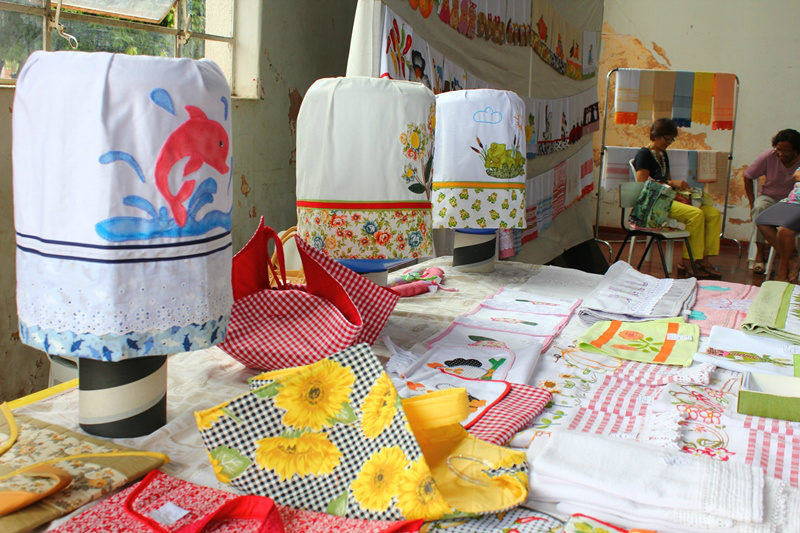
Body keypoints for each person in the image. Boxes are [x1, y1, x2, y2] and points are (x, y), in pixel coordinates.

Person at [633, 118, 723, 279]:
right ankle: (688, 262)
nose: (669, 143)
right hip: (655, 202)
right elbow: (642, 184)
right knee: (696, 215)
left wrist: (679, 189)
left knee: (713, 213)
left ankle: (703, 259)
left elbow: (667, 181)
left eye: (671, 139)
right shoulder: (644, 154)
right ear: (656, 135)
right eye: (667, 139)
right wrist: (670, 183)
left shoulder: (663, 154)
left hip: (668, 197)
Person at [743, 129, 800, 273]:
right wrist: (752, 202)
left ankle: (788, 258)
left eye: (786, 151)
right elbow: (748, 176)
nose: (781, 154)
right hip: (770, 196)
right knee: (760, 209)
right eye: (778, 150)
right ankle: (761, 256)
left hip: (791, 202)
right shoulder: (769, 156)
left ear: (796, 150)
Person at [756, 168, 800, 282]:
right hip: (790, 201)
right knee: (762, 221)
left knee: (784, 230)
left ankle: (783, 267)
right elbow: (796, 174)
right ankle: (792, 259)